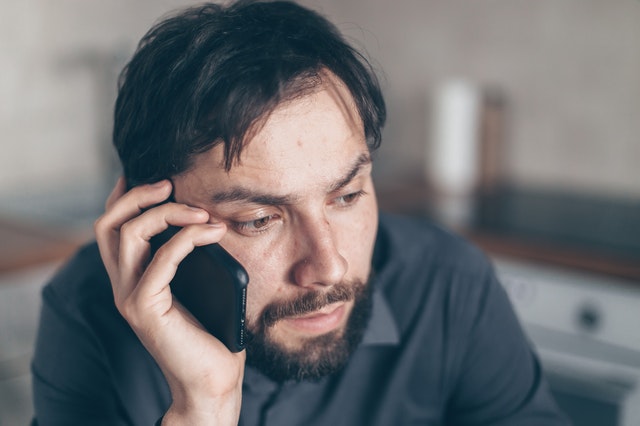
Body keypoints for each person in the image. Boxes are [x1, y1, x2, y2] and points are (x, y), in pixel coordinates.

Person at [31, 1, 569, 425]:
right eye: (259, 220)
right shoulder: (86, 312)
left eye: (348, 196)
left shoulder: (449, 285)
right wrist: (203, 410)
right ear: (155, 220)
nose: (329, 266)